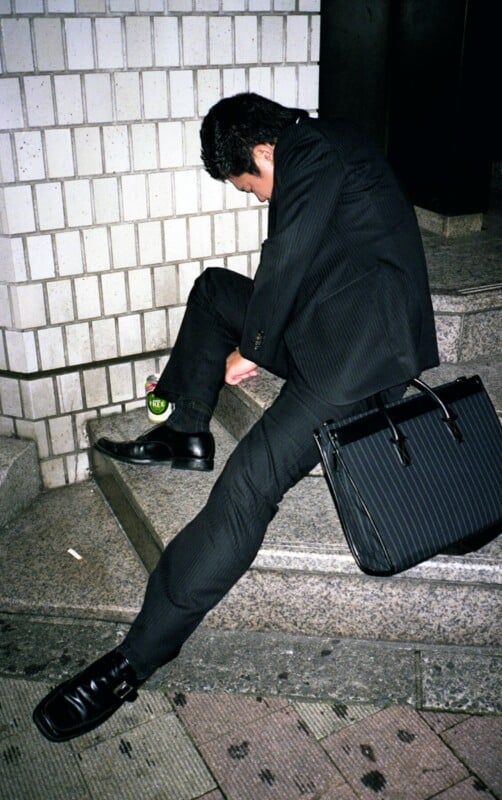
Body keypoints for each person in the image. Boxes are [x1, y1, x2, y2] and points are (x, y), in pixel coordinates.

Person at [32, 93, 439, 742]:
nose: (253, 197)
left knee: (248, 485)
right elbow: (307, 262)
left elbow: (285, 258)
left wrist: (245, 352)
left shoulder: (311, 153)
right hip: (336, 318)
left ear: (262, 151)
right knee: (216, 290)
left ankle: (132, 662)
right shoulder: (324, 142)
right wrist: (250, 341)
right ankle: (187, 430)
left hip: (361, 359)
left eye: (248, 184)